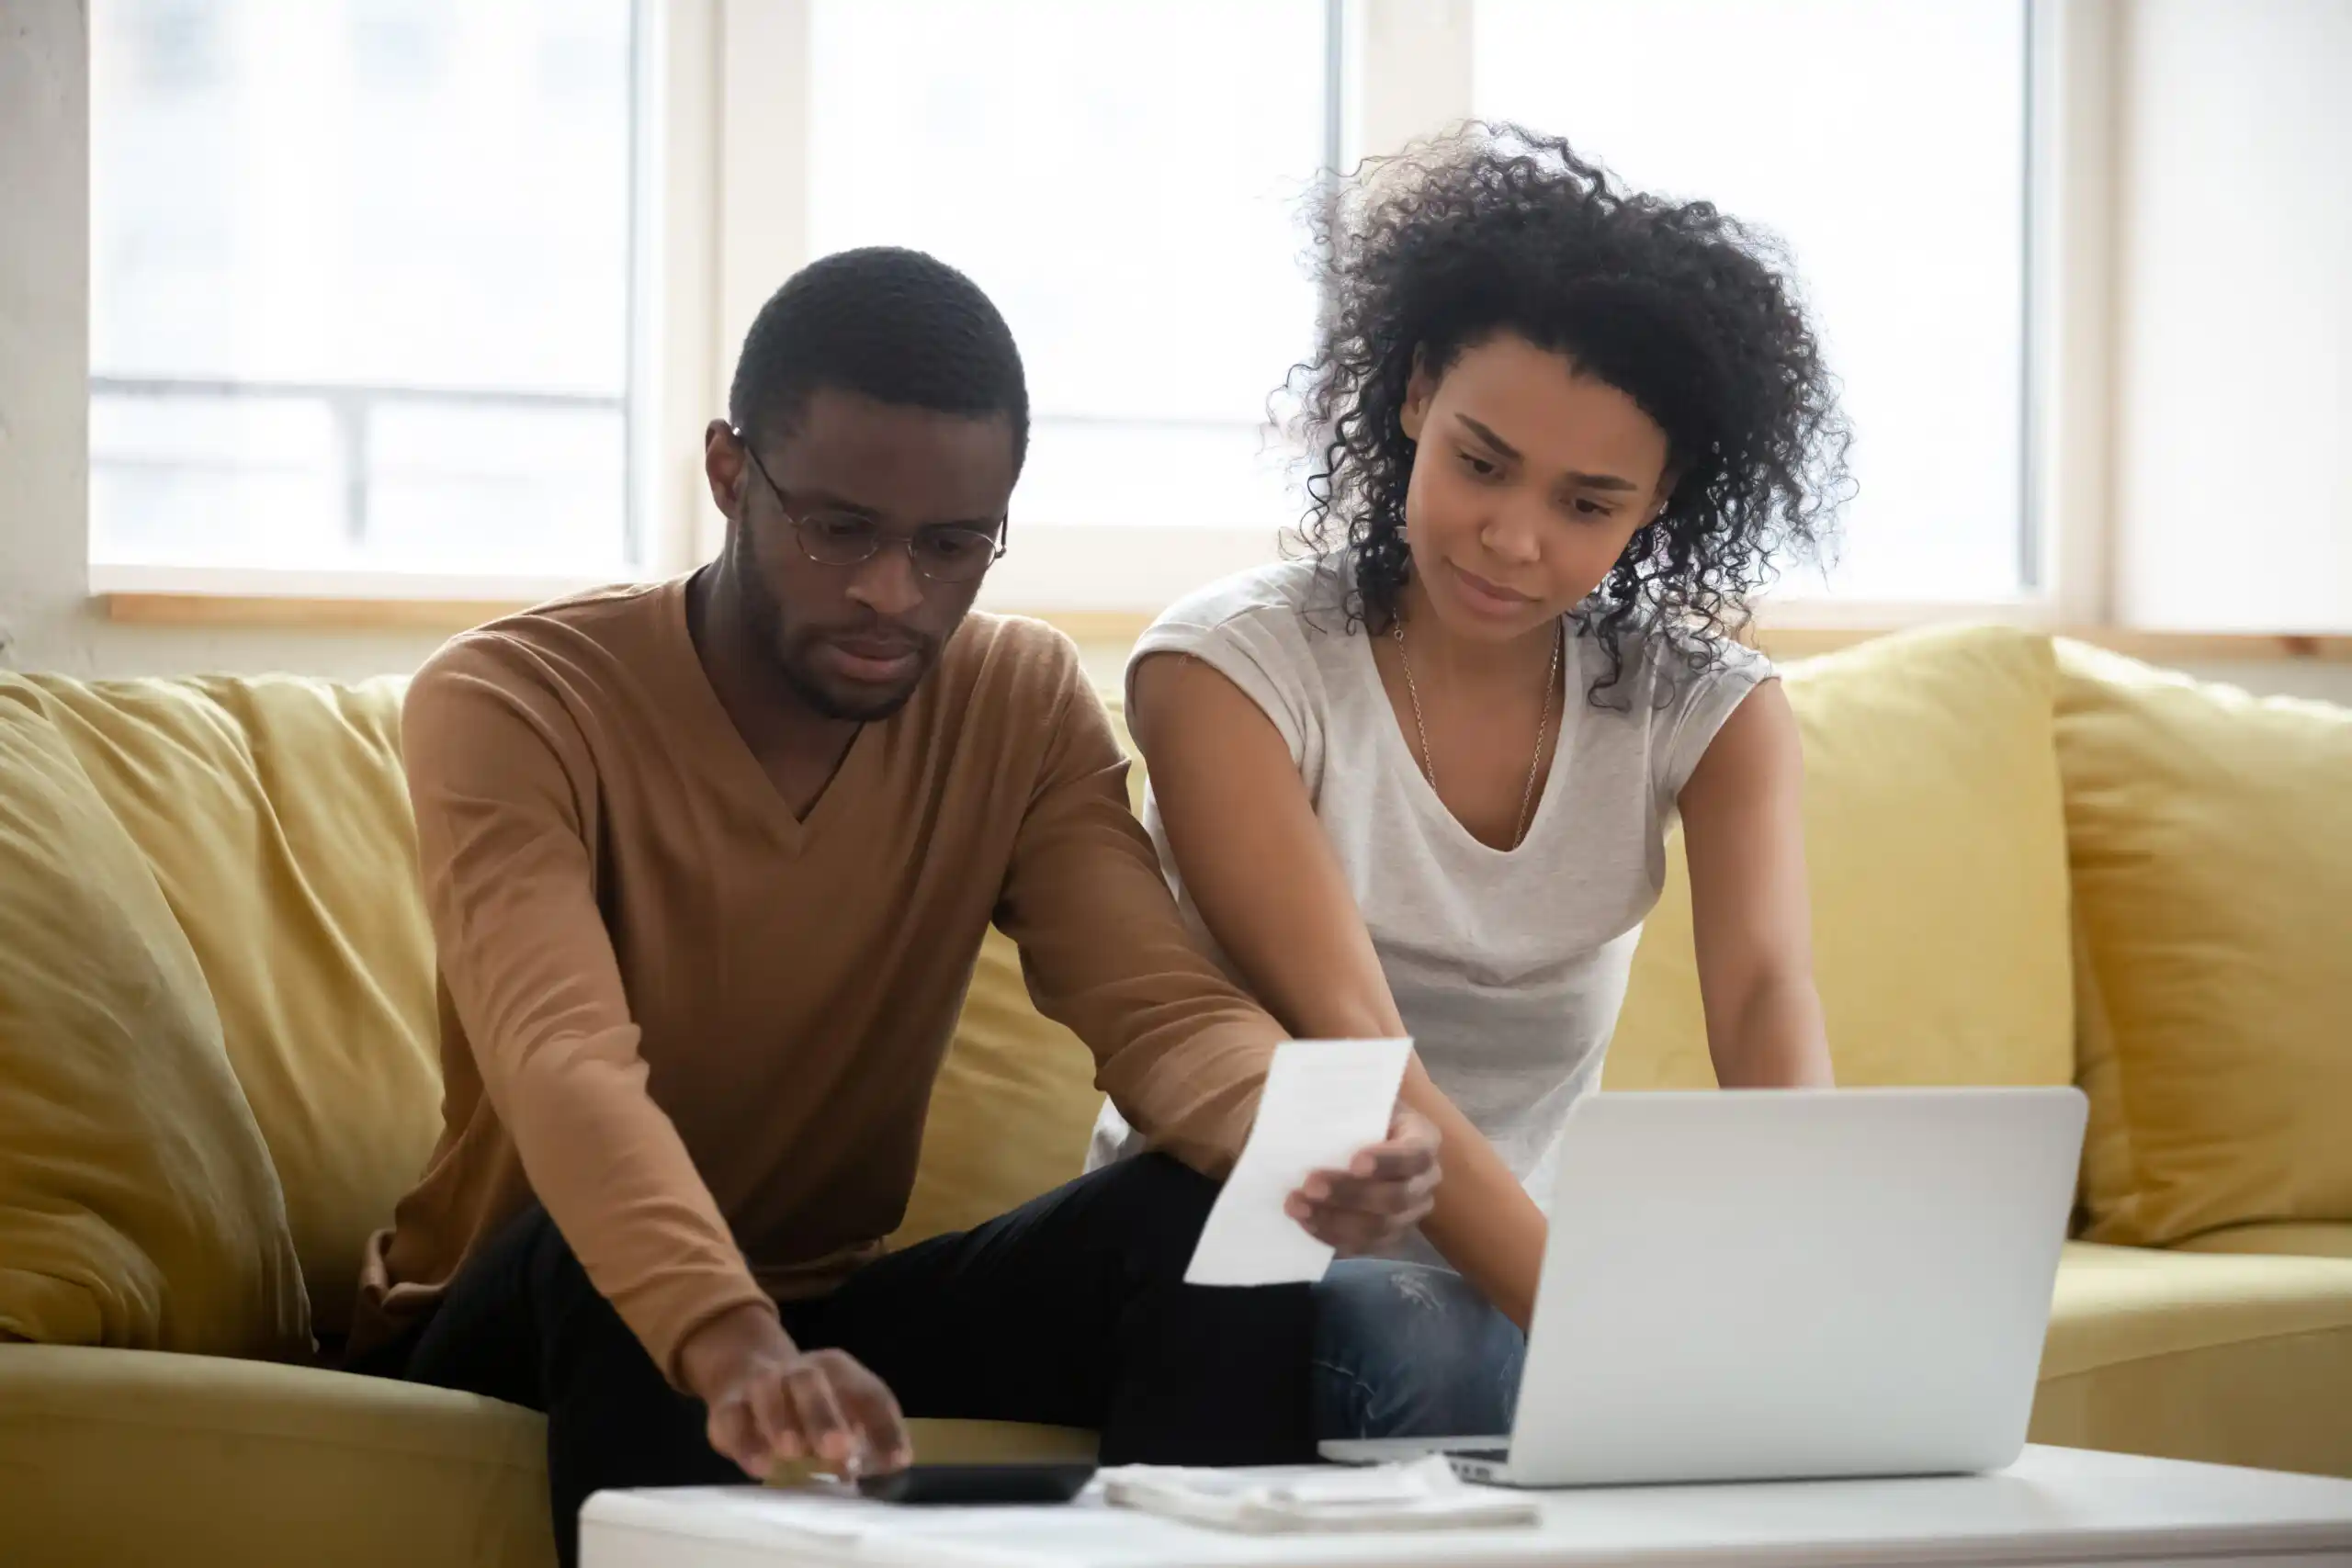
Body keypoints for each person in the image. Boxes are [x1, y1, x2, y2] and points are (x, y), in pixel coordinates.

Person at [343, 246, 1442, 1566]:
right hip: (524, 1304)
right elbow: (565, 1063)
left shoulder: (1017, 698)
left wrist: (1301, 1138)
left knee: (1194, 1214)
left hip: (822, 1306)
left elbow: (1153, 1004)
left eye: (950, 545)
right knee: (590, 1263)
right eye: (840, 529)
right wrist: (726, 1334)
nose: (891, 593)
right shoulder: (513, 701)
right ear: (730, 473)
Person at [1089, 123, 1852, 1442]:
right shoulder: (1228, 671)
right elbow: (1355, 1046)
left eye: (1588, 503)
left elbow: (1768, 1002)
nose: (1513, 538)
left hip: (1513, 1278)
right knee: (1428, 1327)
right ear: (1414, 393)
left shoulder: (1709, 711)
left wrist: (1820, 1298)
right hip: (1232, 1246)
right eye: (1481, 462)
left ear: (1659, 503)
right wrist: (1606, 1327)